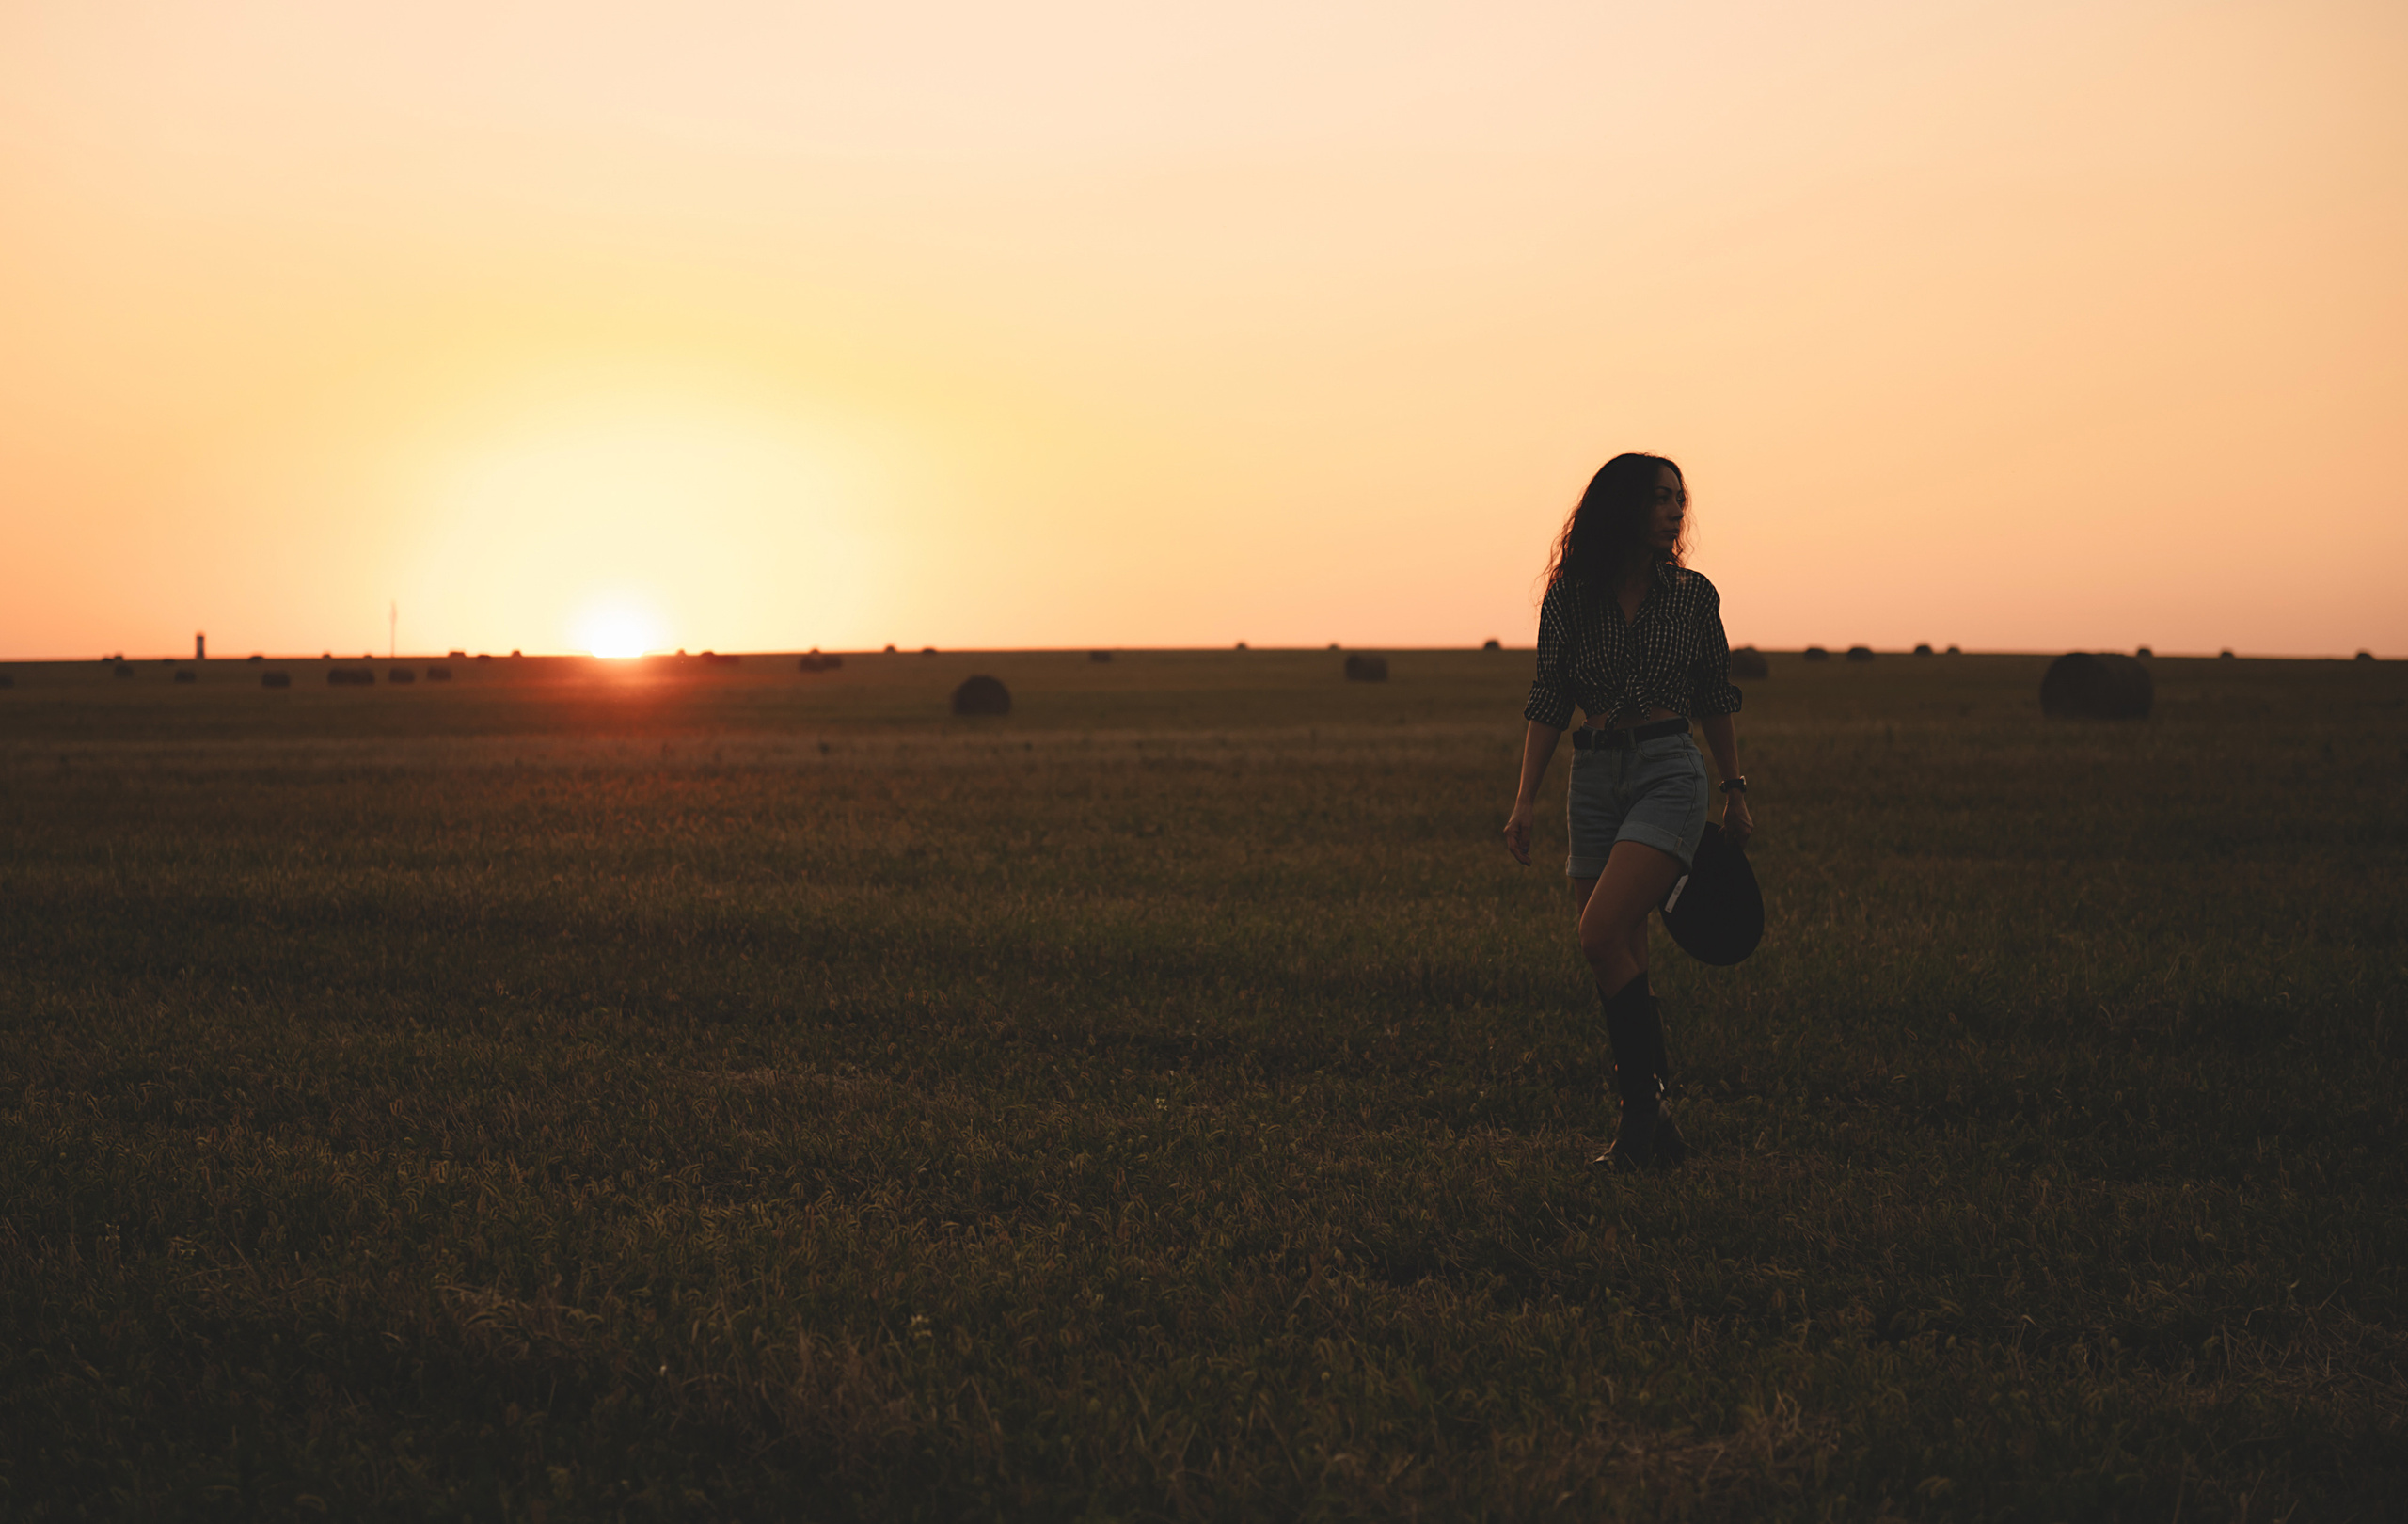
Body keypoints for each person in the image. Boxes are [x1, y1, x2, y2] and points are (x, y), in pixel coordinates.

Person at [1502, 453, 1753, 1169]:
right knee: (1622, 951)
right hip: (1594, 776)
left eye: (1681, 498)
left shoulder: (1693, 596)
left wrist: (1735, 789)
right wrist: (1525, 801)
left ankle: (1640, 1116)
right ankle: (1654, 1127)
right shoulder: (1572, 597)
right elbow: (1549, 698)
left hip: (1669, 770)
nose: (1677, 510)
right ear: (1624, 508)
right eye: (1660, 498)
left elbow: (1715, 696)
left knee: (1597, 933)